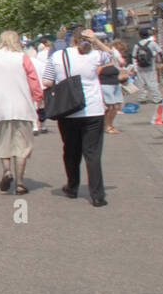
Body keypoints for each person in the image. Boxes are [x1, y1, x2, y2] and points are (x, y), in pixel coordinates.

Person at [42, 28, 114, 206]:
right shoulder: (95, 55)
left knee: (71, 151)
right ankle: (97, 194)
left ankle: (72, 186)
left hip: (68, 110)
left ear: (71, 40)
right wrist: (96, 41)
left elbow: (47, 81)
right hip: (93, 109)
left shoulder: (57, 56)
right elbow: (112, 56)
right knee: (93, 153)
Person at [0, 31, 42, 194]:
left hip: (0, 107)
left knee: (4, 143)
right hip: (22, 106)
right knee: (22, 146)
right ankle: (20, 182)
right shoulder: (23, 58)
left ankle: (7, 170)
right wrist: (37, 97)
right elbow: (33, 80)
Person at [131, 27, 163, 104]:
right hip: (150, 66)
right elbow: (160, 52)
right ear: (148, 35)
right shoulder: (152, 44)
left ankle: (142, 98)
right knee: (152, 82)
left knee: (141, 83)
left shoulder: (137, 45)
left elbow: (134, 56)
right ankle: (157, 98)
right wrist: (161, 61)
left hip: (140, 67)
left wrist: (135, 67)